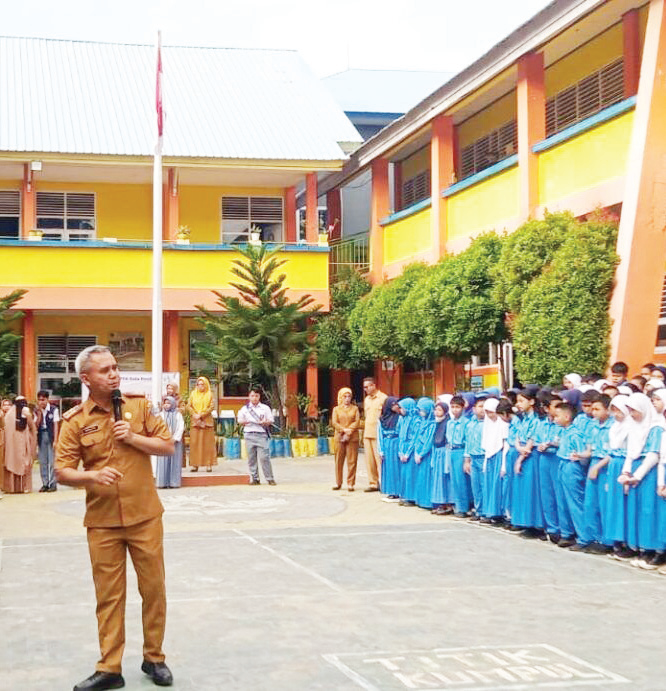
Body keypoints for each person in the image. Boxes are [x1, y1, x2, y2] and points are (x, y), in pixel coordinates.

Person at [55, 345, 174, 690]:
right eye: (104, 370)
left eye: (114, 368)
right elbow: (63, 471)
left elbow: (167, 446)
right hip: (103, 521)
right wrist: (92, 476)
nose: (113, 374)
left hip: (145, 516)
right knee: (109, 595)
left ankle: (154, 658)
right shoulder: (75, 420)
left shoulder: (137, 406)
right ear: (86, 378)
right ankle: (110, 667)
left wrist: (134, 437)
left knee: (154, 589)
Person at [618, 392, 665, 569]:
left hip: (649, 474)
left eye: (634, 410)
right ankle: (642, 548)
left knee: (650, 512)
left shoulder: (656, 428)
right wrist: (626, 471)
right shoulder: (635, 427)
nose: (632, 414)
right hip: (636, 474)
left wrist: (637, 476)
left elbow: (654, 455)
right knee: (638, 512)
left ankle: (656, 550)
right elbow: (631, 453)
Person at [572, 393, 613, 553]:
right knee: (590, 503)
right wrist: (580, 455)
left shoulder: (613, 427)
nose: (594, 412)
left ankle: (607, 541)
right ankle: (592, 537)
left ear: (607, 410)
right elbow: (590, 450)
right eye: (593, 409)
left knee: (604, 504)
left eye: (597, 409)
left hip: (606, 466)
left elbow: (614, 452)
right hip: (594, 462)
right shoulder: (593, 426)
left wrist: (597, 467)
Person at [554, 401, 587, 548]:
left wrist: (579, 459)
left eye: (557, 416)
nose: (555, 419)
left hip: (572, 466)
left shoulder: (576, 434)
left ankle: (583, 537)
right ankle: (566, 533)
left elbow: (582, 456)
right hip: (562, 463)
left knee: (575, 503)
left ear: (567, 417)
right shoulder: (564, 431)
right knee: (562, 502)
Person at [512, 389, 543, 538]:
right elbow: (518, 435)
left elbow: (532, 439)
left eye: (521, 401)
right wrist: (518, 447)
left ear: (531, 401)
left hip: (530, 456)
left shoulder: (536, 419)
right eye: (518, 401)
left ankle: (535, 525)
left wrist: (520, 457)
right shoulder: (523, 418)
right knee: (522, 490)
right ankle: (524, 522)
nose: (518, 404)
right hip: (522, 451)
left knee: (531, 490)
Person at [535, 393, 562, 543]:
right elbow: (537, 440)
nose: (558, 409)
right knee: (546, 494)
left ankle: (563, 529)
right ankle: (551, 528)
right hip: (544, 458)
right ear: (546, 409)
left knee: (559, 494)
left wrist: (551, 444)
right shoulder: (542, 424)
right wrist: (540, 445)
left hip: (557, 457)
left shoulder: (563, 424)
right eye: (555, 406)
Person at [237, 386, 276, 485]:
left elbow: (271, 420)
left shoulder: (265, 408)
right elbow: (239, 420)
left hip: (261, 435)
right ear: (249, 397)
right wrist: (243, 422)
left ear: (259, 397)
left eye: (256, 396)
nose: (254, 398)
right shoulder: (244, 409)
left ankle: (269, 478)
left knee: (264, 457)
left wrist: (265, 422)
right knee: (251, 458)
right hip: (249, 434)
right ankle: (255, 478)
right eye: (252, 396)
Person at [480, 398, 507, 524]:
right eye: (487, 412)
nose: (490, 415)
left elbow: (504, 443)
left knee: (498, 486)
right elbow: (487, 444)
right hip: (490, 457)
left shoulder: (503, 423)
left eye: (491, 412)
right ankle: (489, 512)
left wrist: (503, 465)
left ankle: (499, 513)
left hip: (499, 456)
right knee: (489, 485)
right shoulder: (487, 424)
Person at [2, 396, 36, 494]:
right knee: (14, 462)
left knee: (23, 463)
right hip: (13, 446)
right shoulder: (9, 415)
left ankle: (22, 487)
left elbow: (31, 427)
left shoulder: (25, 413)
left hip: (23, 444)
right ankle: (13, 488)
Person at [331, 387, 360, 491]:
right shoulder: (336, 409)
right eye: (345, 396)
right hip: (339, 437)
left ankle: (351, 483)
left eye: (349, 396)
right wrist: (343, 430)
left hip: (352, 437)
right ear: (341, 397)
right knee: (339, 460)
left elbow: (357, 421)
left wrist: (349, 431)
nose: (347, 399)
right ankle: (338, 482)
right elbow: (334, 422)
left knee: (352, 461)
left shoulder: (355, 408)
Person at [446, 395, 470, 517]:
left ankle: (464, 507)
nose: (455, 410)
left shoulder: (466, 423)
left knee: (461, 481)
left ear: (462, 408)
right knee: (454, 479)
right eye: (453, 407)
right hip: (451, 451)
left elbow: (468, 441)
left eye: (457, 407)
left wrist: (467, 458)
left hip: (461, 451)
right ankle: (457, 505)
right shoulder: (450, 423)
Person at [362, 377, 387, 492]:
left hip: (378, 434)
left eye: (367, 386)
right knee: (369, 460)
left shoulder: (383, 398)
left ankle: (383, 483)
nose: (365, 389)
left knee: (379, 460)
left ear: (373, 385)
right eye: (364, 387)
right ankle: (373, 483)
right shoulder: (366, 399)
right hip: (367, 433)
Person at [186, 376, 216, 472]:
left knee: (207, 444)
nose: (200, 386)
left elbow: (211, 407)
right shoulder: (193, 394)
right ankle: (195, 465)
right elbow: (188, 405)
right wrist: (195, 414)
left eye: (202, 384)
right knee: (195, 444)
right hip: (195, 422)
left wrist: (202, 414)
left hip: (207, 422)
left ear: (206, 385)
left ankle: (208, 464)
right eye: (198, 384)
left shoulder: (209, 394)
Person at [463, 397, 485, 520]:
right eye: (480, 406)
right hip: (473, 457)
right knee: (475, 486)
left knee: (484, 485)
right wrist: (467, 460)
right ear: (474, 409)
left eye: (484, 406)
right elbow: (468, 442)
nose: (482, 409)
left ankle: (487, 511)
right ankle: (479, 510)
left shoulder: (488, 424)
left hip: (484, 457)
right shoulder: (470, 424)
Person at [155, 396, 184, 489]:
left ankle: (174, 483)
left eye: (168, 403)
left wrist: (174, 438)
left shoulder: (178, 415)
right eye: (165, 403)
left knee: (174, 461)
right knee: (163, 461)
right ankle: (162, 483)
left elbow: (180, 427)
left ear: (173, 404)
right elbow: (157, 427)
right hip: (163, 441)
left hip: (174, 442)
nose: (166, 405)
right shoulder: (160, 415)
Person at [430, 401, 453, 515]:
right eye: (436, 410)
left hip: (445, 452)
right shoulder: (436, 423)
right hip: (438, 452)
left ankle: (448, 504)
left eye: (439, 410)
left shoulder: (447, 423)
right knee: (438, 479)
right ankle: (440, 503)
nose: (437, 412)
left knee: (445, 478)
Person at [35, 389, 60, 492]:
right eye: (39, 400)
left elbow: (56, 425)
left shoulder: (54, 409)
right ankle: (45, 483)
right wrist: (40, 413)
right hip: (41, 436)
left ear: (47, 399)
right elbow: (36, 425)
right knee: (43, 461)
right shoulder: (36, 411)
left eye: (43, 399)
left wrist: (56, 440)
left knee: (52, 461)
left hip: (50, 436)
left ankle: (53, 483)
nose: (41, 402)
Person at [413, 397, 436, 510]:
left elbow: (428, 441)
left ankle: (427, 501)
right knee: (421, 477)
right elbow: (417, 438)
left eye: (422, 410)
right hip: (419, 454)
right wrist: (416, 452)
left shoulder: (432, 424)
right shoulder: (422, 423)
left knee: (427, 477)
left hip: (427, 455)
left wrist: (421, 453)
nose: (420, 412)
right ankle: (420, 500)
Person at [377, 396, 401, 501]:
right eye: (393, 404)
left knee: (397, 467)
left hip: (397, 443)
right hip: (387, 444)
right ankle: (391, 491)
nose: (396, 406)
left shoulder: (399, 417)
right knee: (389, 468)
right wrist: (381, 450)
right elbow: (379, 435)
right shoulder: (382, 419)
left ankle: (399, 490)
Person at [397, 397, 418, 506]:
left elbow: (414, 438)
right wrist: (400, 451)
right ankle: (404, 495)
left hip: (411, 449)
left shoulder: (415, 420)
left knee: (411, 474)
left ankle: (411, 497)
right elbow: (400, 435)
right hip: (403, 448)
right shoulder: (403, 419)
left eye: (402, 408)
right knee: (404, 474)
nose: (400, 410)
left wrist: (407, 453)